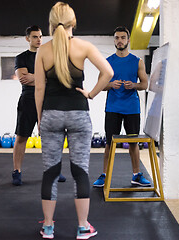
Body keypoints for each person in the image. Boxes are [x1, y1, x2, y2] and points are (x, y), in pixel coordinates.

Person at [35, 2, 114, 239]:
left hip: (51, 114)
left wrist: (41, 120)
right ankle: (83, 227)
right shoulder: (84, 46)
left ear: (51, 23)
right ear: (74, 23)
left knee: (50, 171)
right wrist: (90, 93)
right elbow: (108, 73)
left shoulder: (42, 50)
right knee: (80, 171)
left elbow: (39, 88)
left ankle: (48, 227)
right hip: (79, 114)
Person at [93, 26, 151, 188]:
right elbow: (100, 85)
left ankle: (136, 175)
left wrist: (134, 85)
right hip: (113, 107)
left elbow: (145, 84)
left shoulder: (137, 62)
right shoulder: (108, 62)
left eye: (122, 37)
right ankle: (105, 175)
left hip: (132, 108)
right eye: (117, 38)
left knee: (133, 142)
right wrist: (110, 84)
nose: (120, 40)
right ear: (114, 40)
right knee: (110, 143)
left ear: (128, 40)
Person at [12, 25, 66, 186]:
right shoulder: (21, 58)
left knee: (50, 137)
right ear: (27, 38)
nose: (38, 39)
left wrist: (36, 77)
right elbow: (23, 78)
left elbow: (55, 79)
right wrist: (43, 77)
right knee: (22, 137)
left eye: (40, 36)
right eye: (35, 36)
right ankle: (16, 171)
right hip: (28, 100)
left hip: (47, 100)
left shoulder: (49, 56)